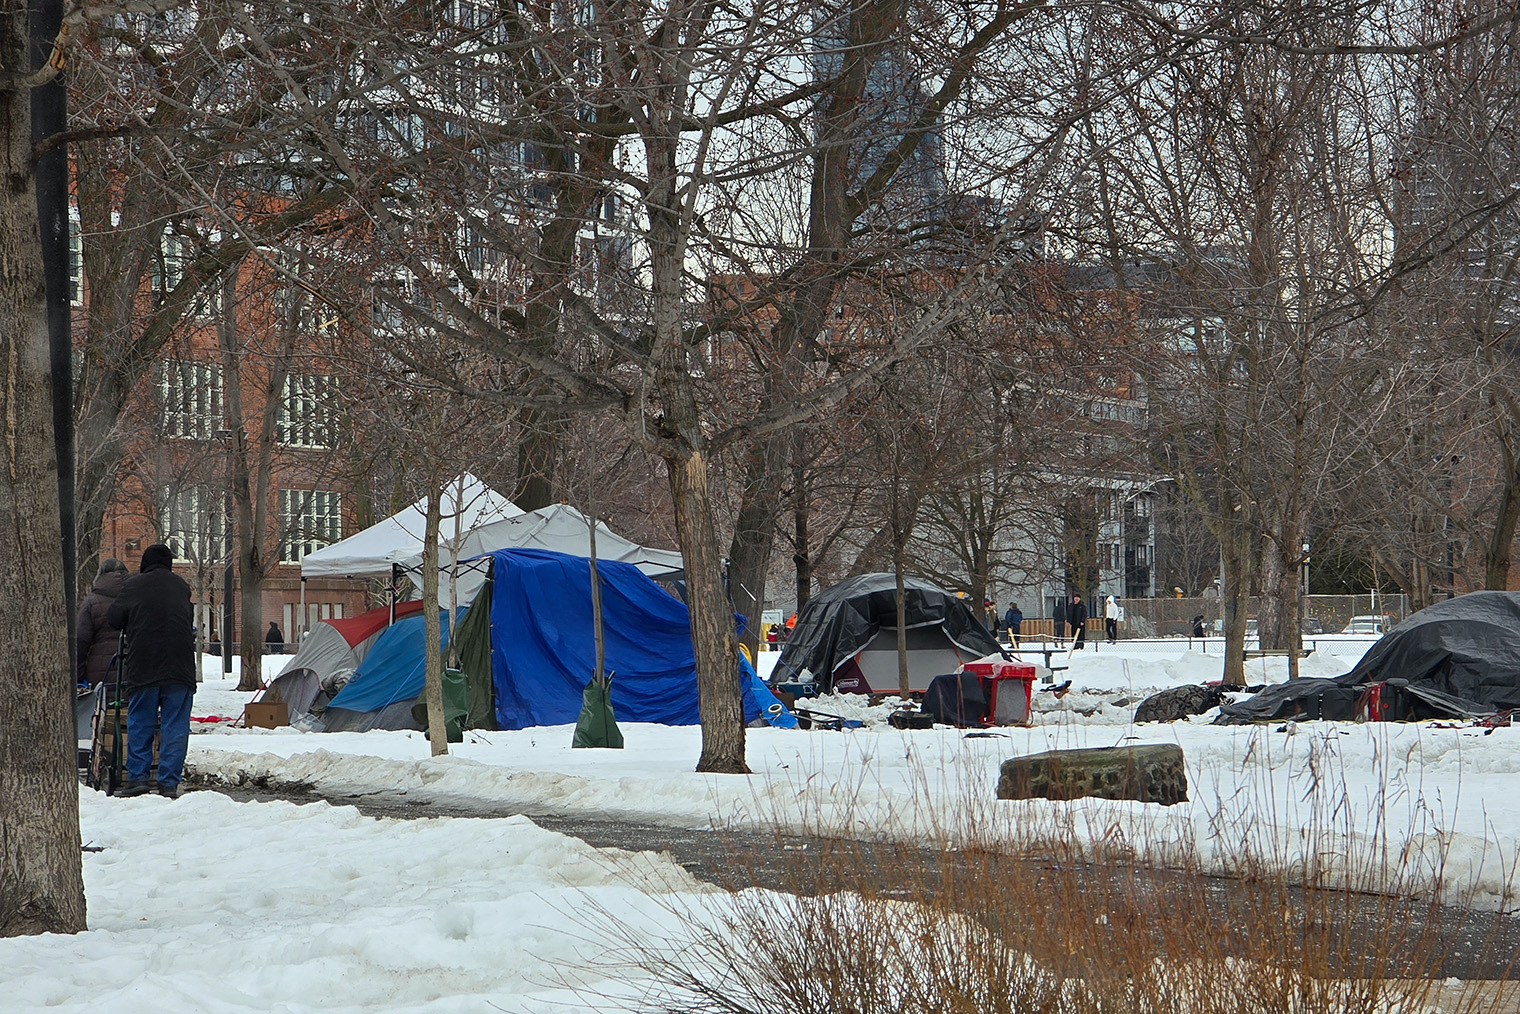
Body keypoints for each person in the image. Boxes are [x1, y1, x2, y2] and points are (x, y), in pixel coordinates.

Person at [106, 544, 196, 799]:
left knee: (141, 722)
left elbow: (114, 618)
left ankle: (137, 779)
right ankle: (168, 783)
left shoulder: (134, 585)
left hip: (145, 665)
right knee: (175, 725)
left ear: (145, 563)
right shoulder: (181, 586)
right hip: (180, 668)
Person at [76, 558, 129, 688]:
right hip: (132, 671)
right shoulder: (136, 599)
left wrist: (79, 674)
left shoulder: (91, 602)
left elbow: (81, 640)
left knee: (104, 707)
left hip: (100, 675)